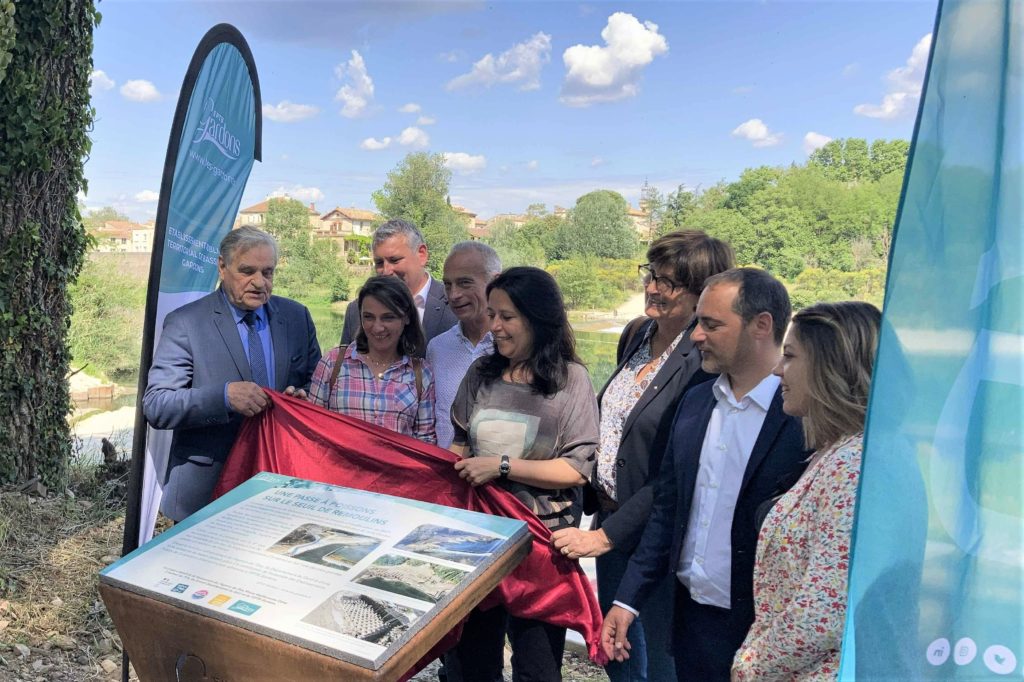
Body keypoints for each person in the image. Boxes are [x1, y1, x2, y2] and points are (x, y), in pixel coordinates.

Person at [601, 268, 809, 681]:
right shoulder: (696, 402)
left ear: (761, 326)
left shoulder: (804, 421)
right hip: (691, 624)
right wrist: (626, 601)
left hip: (765, 635)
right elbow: (668, 508)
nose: (696, 336)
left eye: (711, 325)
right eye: (698, 322)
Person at [552, 230, 735, 682]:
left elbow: (680, 469)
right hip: (611, 524)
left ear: (703, 294)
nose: (652, 287)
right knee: (617, 654)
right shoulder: (638, 333)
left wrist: (607, 536)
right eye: (651, 274)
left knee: (661, 661)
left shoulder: (704, 360)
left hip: (655, 537)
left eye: (668, 282)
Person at [445, 266, 599, 682]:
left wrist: (502, 466)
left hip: (540, 547)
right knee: (469, 664)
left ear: (537, 318)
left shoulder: (572, 381)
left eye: (506, 317)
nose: (494, 326)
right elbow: (458, 447)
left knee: (537, 668)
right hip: (478, 541)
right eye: (492, 314)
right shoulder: (481, 375)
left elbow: (576, 468)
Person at [731, 301, 881, 680]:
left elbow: (823, 612)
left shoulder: (854, 464)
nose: (779, 370)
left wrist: (751, 666)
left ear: (832, 366)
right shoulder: (838, 452)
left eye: (791, 356)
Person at [143, 227, 321, 522]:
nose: (259, 282)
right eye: (247, 271)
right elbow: (158, 405)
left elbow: (316, 384)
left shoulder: (296, 317)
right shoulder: (186, 323)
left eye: (268, 272)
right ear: (222, 268)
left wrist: (303, 398)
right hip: (206, 492)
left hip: (280, 485)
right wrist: (224, 397)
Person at [308, 276, 436, 444]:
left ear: (406, 318)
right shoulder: (333, 363)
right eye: (368, 317)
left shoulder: (421, 374)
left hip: (396, 470)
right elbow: (311, 428)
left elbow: (425, 443)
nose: (377, 327)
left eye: (388, 317)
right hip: (337, 469)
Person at [339, 219, 457, 356]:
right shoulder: (356, 311)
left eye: (394, 260)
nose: (386, 271)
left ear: (422, 254)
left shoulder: (455, 306)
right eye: (379, 263)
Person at [426, 241, 502, 448]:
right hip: (445, 474)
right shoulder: (437, 348)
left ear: (495, 283)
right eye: (448, 285)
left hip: (500, 476)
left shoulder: (515, 349)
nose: (454, 295)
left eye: (464, 283)